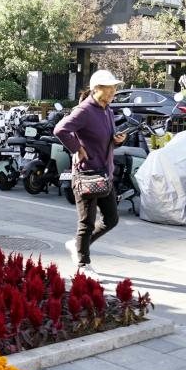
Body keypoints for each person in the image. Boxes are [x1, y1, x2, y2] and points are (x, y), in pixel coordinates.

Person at [54, 69, 127, 275]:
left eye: (114, 88)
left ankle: (77, 245)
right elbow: (60, 130)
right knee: (86, 222)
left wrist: (117, 140)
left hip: (104, 174)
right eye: (109, 88)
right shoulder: (84, 110)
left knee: (111, 219)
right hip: (87, 174)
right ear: (96, 89)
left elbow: (106, 139)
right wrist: (77, 148)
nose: (113, 91)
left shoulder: (108, 110)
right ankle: (83, 264)